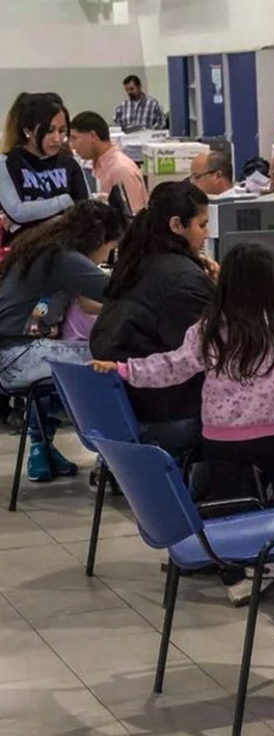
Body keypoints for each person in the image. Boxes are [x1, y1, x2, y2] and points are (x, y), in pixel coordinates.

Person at [93, 243, 274, 507]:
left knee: (232, 502)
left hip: (220, 438)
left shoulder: (208, 328)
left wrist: (125, 369)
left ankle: (232, 539)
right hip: (271, 437)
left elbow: (173, 366)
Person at [0, 200, 127, 480]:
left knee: (71, 368)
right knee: (106, 366)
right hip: (19, 355)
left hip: (14, 352)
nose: (108, 254)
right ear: (98, 239)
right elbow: (117, 292)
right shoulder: (64, 258)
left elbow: (90, 300)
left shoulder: (46, 248)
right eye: (110, 248)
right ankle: (114, 456)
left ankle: (41, 448)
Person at [90, 181, 217, 459]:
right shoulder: (182, 278)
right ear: (176, 225)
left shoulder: (137, 261)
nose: (207, 234)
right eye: (202, 224)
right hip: (163, 411)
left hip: (124, 405)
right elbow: (206, 352)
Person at [0, 93, 88, 243]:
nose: (57, 138)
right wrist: (64, 201)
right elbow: (18, 212)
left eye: (62, 130)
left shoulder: (70, 164)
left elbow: (84, 212)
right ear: (27, 131)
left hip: (66, 248)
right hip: (23, 252)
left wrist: (38, 216)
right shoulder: (7, 164)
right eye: (49, 131)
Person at [69, 111, 149, 213]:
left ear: (92, 136)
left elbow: (134, 217)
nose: (72, 145)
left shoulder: (121, 169)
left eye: (74, 138)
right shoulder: (96, 165)